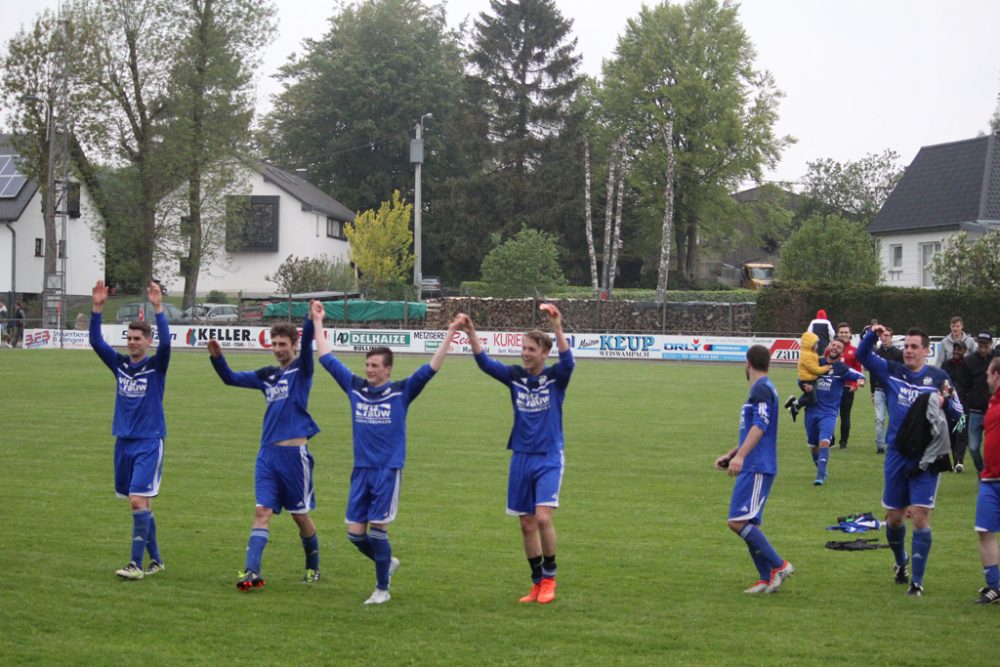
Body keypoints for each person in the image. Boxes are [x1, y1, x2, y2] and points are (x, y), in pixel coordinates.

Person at [313, 301, 465, 605]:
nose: (369, 370)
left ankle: (382, 589)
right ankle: (388, 563)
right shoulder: (354, 388)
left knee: (379, 531)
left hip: (387, 469)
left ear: (388, 369)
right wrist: (318, 320)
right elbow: (327, 359)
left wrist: (450, 333)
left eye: (375, 366)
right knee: (355, 534)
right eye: (367, 365)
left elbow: (432, 368)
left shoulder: (401, 392)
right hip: (361, 469)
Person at [461, 304, 574, 605]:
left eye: (531, 349)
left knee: (542, 518)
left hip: (549, 456)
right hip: (520, 457)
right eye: (523, 348)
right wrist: (472, 333)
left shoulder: (555, 378)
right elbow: (485, 364)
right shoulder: (514, 376)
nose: (524, 353)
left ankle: (550, 577)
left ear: (543, 353)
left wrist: (557, 327)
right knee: (526, 524)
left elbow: (568, 361)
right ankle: (536, 583)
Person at [208, 307, 322, 591]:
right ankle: (251, 571)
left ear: (293, 345)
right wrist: (217, 358)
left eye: (283, 344)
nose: (278, 349)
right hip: (267, 456)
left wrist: (309, 319)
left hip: (294, 457)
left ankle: (313, 567)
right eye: (274, 344)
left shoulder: (302, 368)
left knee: (300, 516)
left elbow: (308, 342)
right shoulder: (267, 375)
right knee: (261, 512)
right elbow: (230, 378)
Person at [857, 325, 964, 596]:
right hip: (896, 455)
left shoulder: (939, 377)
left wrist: (945, 402)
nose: (909, 351)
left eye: (915, 347)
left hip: (927, 457)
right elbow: (862, 355)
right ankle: (900, 562)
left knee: (918, 517)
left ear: (927, 351)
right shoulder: (893, 371)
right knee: (894, 519)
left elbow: (960, 417)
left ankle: (917, 581)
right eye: (906, 346)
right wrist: (872, 333)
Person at [89, 280, 170, 580]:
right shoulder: (121, 365)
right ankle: (157, 561)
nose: (132, 342)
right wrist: (97, 309)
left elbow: (168, 345)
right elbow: (97, 343)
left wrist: (159, 308)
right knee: (141, 503)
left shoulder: (156, 367)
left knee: (138, 499)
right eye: (129, 338)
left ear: (148, 341)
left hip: (149, 441)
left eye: (137, 338)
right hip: (123, 442)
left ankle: (136, 565)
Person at [715, 344, 794, 594]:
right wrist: (732, 454)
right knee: (751, 525)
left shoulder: (760, 388)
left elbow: (760, 425)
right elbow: (753, 428)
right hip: (754, 462)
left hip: (757, 465)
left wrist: (742, 457)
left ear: (748, 363)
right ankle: (766, 578)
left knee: (737, 522)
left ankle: (779, 565)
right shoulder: (762, 388)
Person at [801, 338, 865, 486]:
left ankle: (820, 476)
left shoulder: (842, 368)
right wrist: (806, 387)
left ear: (842, 351)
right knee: (813, 445)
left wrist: (860, 381)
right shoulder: (817, 362)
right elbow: (802, 378)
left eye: (839, 347)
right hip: (811, 410)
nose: (835, 347)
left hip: (829, 412)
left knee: (824, 441)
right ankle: (820, 466)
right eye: (834, 345)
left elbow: (860, 375)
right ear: (829, 346)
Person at [973, 357, 1000, 604]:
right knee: (984, 531)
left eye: (989, 375)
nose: (986, 379)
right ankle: (994, 586)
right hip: (990, 479)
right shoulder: (992, 402)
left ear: (996, 375)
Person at [965, 331, 999, 474]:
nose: (983, 349)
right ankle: (982, 470)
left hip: (994, 409)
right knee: (973, 447)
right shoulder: (969, 361)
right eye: (980, 345)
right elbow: (963, 384)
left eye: (986, 346)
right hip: (976, 410)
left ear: (991, 345)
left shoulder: (997, 361)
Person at [870, 326, 903, 454]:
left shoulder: (898, 354)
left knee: (894, 419)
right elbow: (873, 374)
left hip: (893, 391)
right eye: (882, 335)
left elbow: (902, 372)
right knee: (879, 419)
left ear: (891, 337)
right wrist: (872, 392)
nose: (884, 338)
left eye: (887, 335)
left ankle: (894, 444)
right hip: (879, 390)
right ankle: (880, 446)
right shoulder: (876, 353)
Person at [784, 331, 830, 421]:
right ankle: (794, 403)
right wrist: (825, 368)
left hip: (809, 380)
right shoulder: (807, 355)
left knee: (808, 396)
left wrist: (822, 358)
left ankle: (794, 408)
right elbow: (814, 369)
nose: (817, 346)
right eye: (815, 344)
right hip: (807, 381)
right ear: (810, 344)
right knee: (813, 400)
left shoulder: (810, 353)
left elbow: (815, 361)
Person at [941, 340, 971, 472]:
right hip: (949, 405)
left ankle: (959, 461)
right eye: (955, 349)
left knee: (961, 432)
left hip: (964, 404)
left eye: (959, 349)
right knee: (950, 433)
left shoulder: (968, 366)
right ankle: (953, 462)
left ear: (964, 351)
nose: (956, 352)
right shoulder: (946, 365)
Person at [836, 322, 863, 449]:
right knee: (829, 414)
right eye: (842, 332)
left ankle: (843, 442)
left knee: (845, 416)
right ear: (838, 333)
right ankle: (829, 439)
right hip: (832, 388)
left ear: (850, 334)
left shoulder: (855, 351)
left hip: (848, 388)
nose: (844, 334)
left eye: (846, 332)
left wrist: (855, 384)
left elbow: (858, 370)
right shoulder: (832, 348)